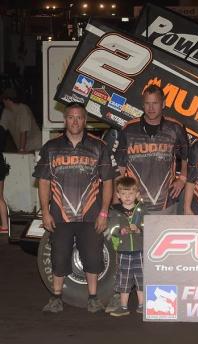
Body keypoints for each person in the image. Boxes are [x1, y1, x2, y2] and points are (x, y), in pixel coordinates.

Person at [33, 102, 117, 313]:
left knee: (93, 257)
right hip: (60, 216)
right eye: (71, 117)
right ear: (65, 120)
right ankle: (56, 298)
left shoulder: (99, 147)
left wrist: (104, 212)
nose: (75, 121)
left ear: (85, 121)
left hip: (91, 216)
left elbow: (108, 181)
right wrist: (45, 211)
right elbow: (43, 181)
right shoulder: (51, 148)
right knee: (59, 257)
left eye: (79, 117)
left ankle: (93, 298)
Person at [115, 85, 189, 214]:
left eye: (155, 103)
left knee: (165, 234)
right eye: (147, 103)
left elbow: (187, 155)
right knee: (136, 234)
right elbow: (120, 166)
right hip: (133, 201)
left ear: (163, 104)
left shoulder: (176, 127)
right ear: (143, 105)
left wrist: (182, 179)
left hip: (167, 201)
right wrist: (117, 199)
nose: (151, 108)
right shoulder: (129, 128)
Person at [108, 176, 144, 317]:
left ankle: (142, 305)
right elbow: (111, 230)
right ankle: (123, 307)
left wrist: (140, 229)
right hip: (123, 251)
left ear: (137, 194)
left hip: (140, 250)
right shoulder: (115, 212)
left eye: (130, 194)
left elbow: (150, 227)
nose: (127, 197)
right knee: (124, 278)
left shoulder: (142, 210)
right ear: (118, 195)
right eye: (123, 194)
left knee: (141, 278)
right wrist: (119, 231)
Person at [0, 88, 42, 152]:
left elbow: (23, 132)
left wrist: (21, 149)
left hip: (36, 146)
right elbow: (1, 129)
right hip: (24, 147)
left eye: (3, 99)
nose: (2, 101)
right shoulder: (6, 112)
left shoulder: (23, 109)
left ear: (7, 100)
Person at [0, 126, 10, 235]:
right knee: (0, 197)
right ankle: (5, 226)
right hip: (1, 164)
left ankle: (4, 226)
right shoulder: (2, 129)